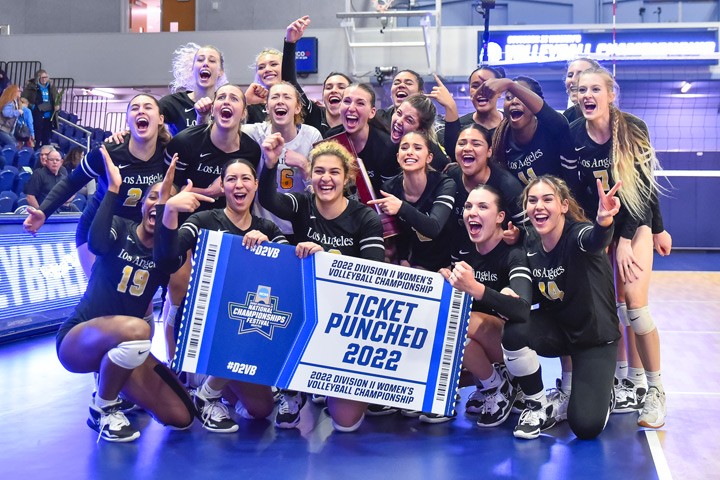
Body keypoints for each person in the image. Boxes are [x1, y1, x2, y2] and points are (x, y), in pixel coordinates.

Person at [56, 148, 194, 443]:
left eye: (168, 199)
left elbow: (169, 261)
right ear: (143, 204)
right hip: (77, 340)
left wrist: (170, 211)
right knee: (141, 328)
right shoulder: (120, 227)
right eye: (154, 197)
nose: (160, 203)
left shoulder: (167, 252)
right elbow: (96, 242)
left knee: (181, 416)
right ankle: (103, 407)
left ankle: (120, 383)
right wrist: (114, 189)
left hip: (126, 342)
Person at [259, 138, 385, 432]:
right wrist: (268, 163)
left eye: (334, 172)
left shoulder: (365, 217)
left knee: (344, 422)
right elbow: (268, 200)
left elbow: (373, 273)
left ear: (346, 178)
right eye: (319, 172)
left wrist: (325, 258)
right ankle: (293, 389)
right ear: (310, 175)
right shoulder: (302, 204)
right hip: (305, 308)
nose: (325, 179)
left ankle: (344, 381)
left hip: (347, 316)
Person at [567, 66, 668, 428]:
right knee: (611, 309)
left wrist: (633, 236)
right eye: (581, 90)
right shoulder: (574, 133)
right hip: (600, 227)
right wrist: (594, 234)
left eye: (595, 88)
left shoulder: (632, 128)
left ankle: (655, 390)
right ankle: (628, 381)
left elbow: (642, 189)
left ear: (611, 95)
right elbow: (575, 192)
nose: (587, 95)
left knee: (635, 308)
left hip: (633, 223)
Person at [155, 158, 287, 433]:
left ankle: (219, 387)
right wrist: (168, 212)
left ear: (256, 185)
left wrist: (277, 252)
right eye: (231, 179)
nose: (239, 185)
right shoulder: (202, 220)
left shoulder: (268, 229)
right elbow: (166, 260)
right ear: (222, 186)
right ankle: (206, 394)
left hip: (243, 333)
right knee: (245, 320)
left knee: (261, 410)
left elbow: (289, 272)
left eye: (245, 178)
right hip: (206, 334)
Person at [503, 175, 622, 440]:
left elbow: (595, 239)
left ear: (564, 206)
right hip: (559, 330)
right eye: (532, 200)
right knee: (514, 330)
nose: (539, 206)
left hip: (594, 338)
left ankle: (604, 390)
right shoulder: (531, 241)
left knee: (585, 427)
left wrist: (604, 220)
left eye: (548, 199)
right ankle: (536, 403)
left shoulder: (577, 234)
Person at [160, 84, 262, 361]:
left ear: (244, 113)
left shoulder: (252, 150)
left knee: (222, 305)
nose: (227, 102)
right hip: (187, 228)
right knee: (179, 300)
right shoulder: (185, 141)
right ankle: (175, 366)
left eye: (235, 99)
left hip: (227, 233)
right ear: (213, 107)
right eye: (221, 97)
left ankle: (215, 366)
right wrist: (207, 192)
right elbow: (167, 193)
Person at [23, 94, 170, 277]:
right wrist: (44, 212)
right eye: (134, 108)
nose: (141, 110)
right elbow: (71, 183)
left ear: (160, 119)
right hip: (97, 230)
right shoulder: (108, 152)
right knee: (100, 297)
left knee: (138, 301)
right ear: (127, 120)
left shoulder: (167, 155)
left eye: (148, 107)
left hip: (138, 236)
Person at [441, 184, 532, 428]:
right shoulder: (463, 252)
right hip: (480, 343)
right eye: (469, 206)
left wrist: (474, 288)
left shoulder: (513, 254)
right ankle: (493, 383)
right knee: (444, 321)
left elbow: (523, 310)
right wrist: (445, 282)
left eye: (483, 206)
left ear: (500, 217)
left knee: (459, 320)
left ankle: (504, 384)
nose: (472, 212)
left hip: (514, 345)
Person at [242, 81, 323, 242]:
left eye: (287, 97)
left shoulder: (312, 136)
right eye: (275, 97)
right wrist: (246, 101)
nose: (280, 101)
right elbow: (219, 131)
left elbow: (321, 190)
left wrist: (304, 165)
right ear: (266, 106)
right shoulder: (254, 132)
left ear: (298, 108)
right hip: (263, 226)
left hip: (301, 225)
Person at [368, 131, 455, 272]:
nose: (409, 152)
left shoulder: (444, 184)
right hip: (414, 263)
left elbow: (434, 227)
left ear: (429, 157)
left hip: (447, 264)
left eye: (417, 148)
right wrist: (403, 259)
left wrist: (402, 206)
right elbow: (400, 233)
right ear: (397, 157)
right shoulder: (389, 188)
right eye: (404, 147)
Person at [484, 75, 572, 186]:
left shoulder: (551, 126)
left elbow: (561, 124)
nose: (514, 102)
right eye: (509, 97)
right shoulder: (500, 138)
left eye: (521, 97)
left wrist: (509, 84)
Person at [246, 16, 322, 131]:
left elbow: (290, 81)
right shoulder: (252, 106)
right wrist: (244, 102)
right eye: (261, 67)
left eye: (273, 64)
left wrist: (290, 43)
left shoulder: (299, 100)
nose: (267, 69)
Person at [324, 83, 398, 195]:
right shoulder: (331, 139)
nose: (351, 108)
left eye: (360, 103)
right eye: (347, 101)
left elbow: (390, 195)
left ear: (372, 112)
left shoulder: (386, 146)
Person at [159, 43, 228, 136]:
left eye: (212, 61)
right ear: (192, 68)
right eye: (200, 60)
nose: (205, 63)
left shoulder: (225, 105)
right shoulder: (173, 103)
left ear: (220, 72)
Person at [438, 66, 506, 157]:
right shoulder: (460, 126)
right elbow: (453, 155)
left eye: (488, 85)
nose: (481, 90)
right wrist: (450, 108)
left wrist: (511, 85)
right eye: (475, 86)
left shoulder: (511, 124)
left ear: (500, 92)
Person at [388, 93, 449, 171]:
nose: (399, 121)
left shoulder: (435, 161)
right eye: (399, 113)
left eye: (409, 120)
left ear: (421, 130)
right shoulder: (384, 142)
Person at [21, 69, 59, 147]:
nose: (44, 79)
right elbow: (23, 99)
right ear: (38, 78)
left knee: (47, 138)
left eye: (46, 77)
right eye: (42, 77)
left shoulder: (51, 87)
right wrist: (33, 107)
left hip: (49, 116)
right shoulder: (31, 87)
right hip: (37, 115)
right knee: (37, 138)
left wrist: (57, 105)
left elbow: (57, 98)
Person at [562, 57, 601, 123]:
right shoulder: (567, 116)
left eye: (580, 74)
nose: (573, 80)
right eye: (570, 75)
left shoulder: (611, 118)